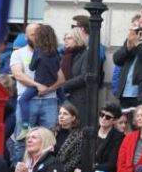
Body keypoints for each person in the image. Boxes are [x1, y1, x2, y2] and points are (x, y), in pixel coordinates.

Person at [10, 23, 63, 164]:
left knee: (49, 139)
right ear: (26, 36)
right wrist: (37, 85)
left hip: (49, 100)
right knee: (22, 140)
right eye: (33, 35)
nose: (36, 38)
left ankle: (43, 171)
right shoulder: (18, 53)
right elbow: (18, 75)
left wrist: (48, 89)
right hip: (28, 100)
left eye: (38, 34)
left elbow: (61, 78)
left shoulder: (53, 52)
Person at [17, 25, 61, 140]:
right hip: (51, 84)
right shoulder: (56, 52)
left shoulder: (38, 51)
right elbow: (58, 68)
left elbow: (32, 67)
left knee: (23, 100)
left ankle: (26, 127)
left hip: (39, 84)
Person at [60, 28, 89, 123]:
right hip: (63, 98)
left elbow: (84, 76)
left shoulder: (86, 54)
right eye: (65, 39)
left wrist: (64, 86)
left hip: (78, 98)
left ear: (77, 39)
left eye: (69, 38)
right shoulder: (65, 55)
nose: (66, 41)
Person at [94, 104, 125, 172]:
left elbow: (111, 164)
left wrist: (93, 167)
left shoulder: (118, 137)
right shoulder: (91, 132)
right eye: (101, 115)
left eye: (108, 117)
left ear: (114, 120)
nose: (103, 118)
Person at [54, 103, 83, 172]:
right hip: (49, 170)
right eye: (60, 113)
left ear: (73, 118)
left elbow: (74, 160)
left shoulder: (78, 136)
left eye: (65, 114)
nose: (61, 116)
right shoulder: (53, 132)